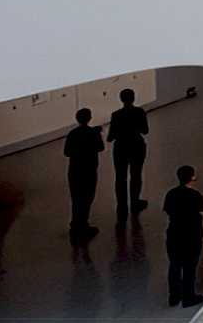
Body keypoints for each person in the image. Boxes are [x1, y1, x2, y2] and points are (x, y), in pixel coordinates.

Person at [162, 165, 203, 306]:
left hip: (174, 233)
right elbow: (200, 213)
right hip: (192, 235)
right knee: (190, 266)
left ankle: (174, 296)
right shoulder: (196, 196)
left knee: (174, 265)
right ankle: (189, 296)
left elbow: (168, 211)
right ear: (192, 177)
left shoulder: (171, 194)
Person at [61, 107, 104, 239]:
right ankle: (83, 225)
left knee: (76, 198)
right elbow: (100, 148)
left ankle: (75, 225)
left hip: (74, 170)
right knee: (87, 198)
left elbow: (67, 152)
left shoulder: (72, 133)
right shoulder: (93, 133)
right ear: (89, 118)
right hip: (89, 169)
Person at [107, 87, 149, 217]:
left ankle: (121, 205)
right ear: (134, 98)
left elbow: (110, 137)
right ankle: (135, 203)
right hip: (137, 145)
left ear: (121, 99)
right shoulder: (139, 112)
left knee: (120, 177)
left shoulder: (116, 115)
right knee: (136, 175)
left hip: (121, 147)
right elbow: (145, 130)